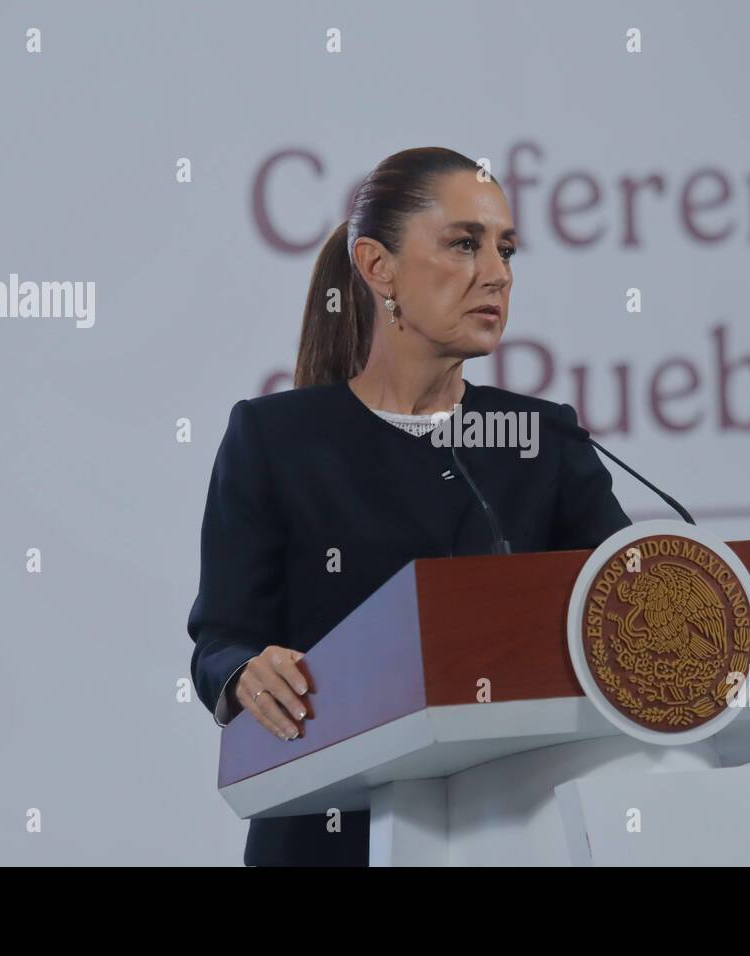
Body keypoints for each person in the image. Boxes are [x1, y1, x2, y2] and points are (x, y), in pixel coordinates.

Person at [187, 146, 632, 866]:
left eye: (507, 250)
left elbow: (630, 610)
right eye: (464, 243)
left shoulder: (543, 438)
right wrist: (245, 673)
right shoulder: (277, 439)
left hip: (516, 836)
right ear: (377, 267)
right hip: (324, 836)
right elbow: (220, 640)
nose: (497, 273)